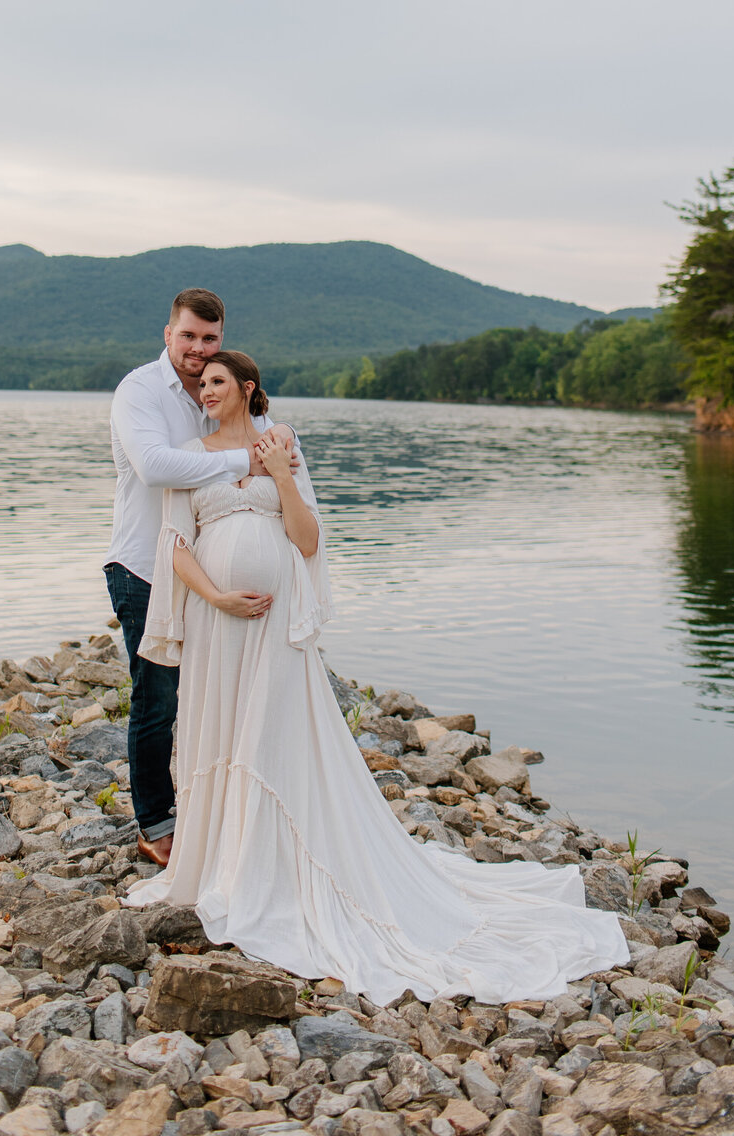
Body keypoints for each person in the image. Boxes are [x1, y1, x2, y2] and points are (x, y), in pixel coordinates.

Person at [126, 348, 630, 1003]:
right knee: (220, 735)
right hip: (221, 623)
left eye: (217, 382)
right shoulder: (194, 456)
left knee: (274, 737)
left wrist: (280, 475)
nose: (205, 391)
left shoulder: (283, 445)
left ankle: (277, 865)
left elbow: (306, 541)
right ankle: (226, 861)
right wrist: (218, 598)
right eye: (200, 384)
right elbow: (176, 547)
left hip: (276, 631)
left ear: (248, 389)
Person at [104, 288, 296, 867]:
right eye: (188, 336)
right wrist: (245, 462)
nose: (198, 348)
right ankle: (158, 822)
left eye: (210, 338)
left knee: (218, 694)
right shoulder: (139, 391)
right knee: (158, 698)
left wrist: (276, 447)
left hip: (222, 590)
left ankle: (229, 813)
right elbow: (157, 466)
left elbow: (272, 448)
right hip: (145, 566)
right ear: (168, 334)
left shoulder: (221, 388)